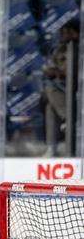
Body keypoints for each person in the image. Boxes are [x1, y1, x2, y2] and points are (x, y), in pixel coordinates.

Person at [43, 20, 79, 155]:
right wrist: (52, 71)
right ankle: (52, 147)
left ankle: (67, 119)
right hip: (62, 88)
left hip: (76, 89)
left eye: (68, 32)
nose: (64, 35)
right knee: (50, 101)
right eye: (62, 32)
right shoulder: (59, 48)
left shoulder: (79, 49)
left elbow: (74, 72)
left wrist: (58, 73)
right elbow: (52, 66)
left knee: (50, 98)